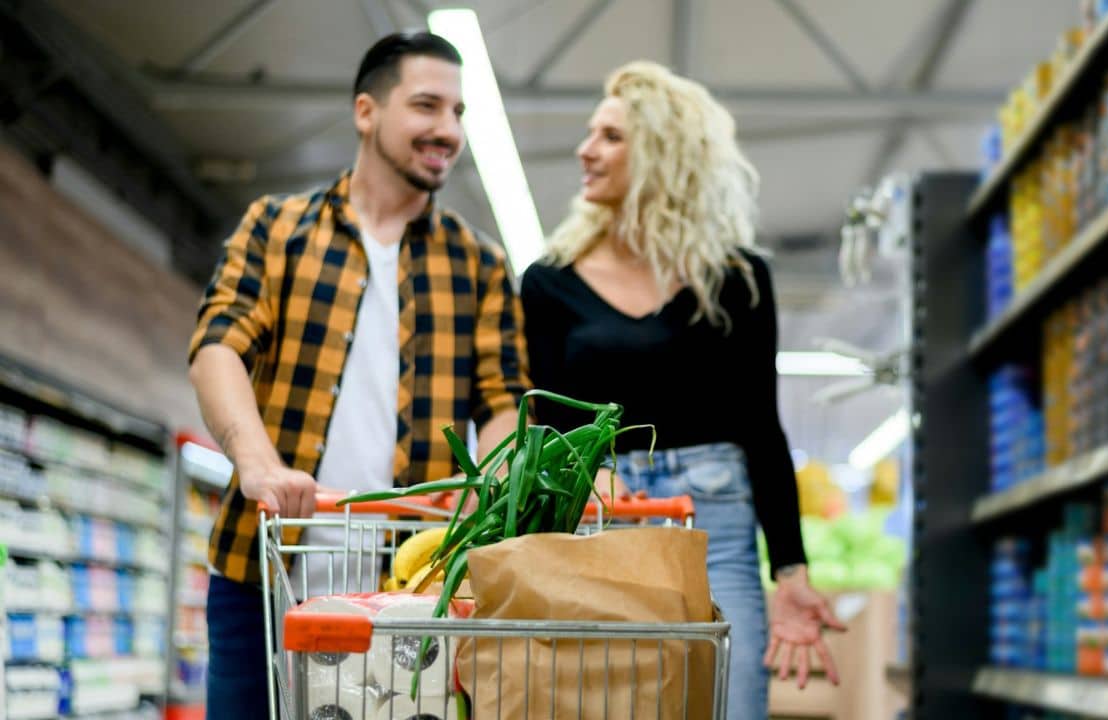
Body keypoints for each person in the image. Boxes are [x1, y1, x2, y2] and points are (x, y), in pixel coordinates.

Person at [187, 32, 529, 720]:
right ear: (366, 112)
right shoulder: (277, 229)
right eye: (427, 106)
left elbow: (504, 402)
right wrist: (257, 466)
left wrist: (491, 493)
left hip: (411, 584)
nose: (447, 130)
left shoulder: (480, 267)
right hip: (262, 567)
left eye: (459, 114)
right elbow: (218, 345)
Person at [520, 61, 846, 717]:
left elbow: (761, 426)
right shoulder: (549, 282)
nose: (585, 150)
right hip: (600, 520)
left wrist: (791, 571)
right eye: (590, 134)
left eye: (610, 136)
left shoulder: (737, 279)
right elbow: (547, 425)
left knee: (730, 706)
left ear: (663, 152)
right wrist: (585, 480)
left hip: (717, 526)